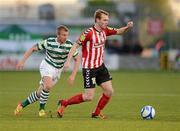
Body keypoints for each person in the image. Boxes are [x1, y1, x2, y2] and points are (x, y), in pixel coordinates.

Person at [57, 9, 133, 119]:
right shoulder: (88, 33)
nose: (106, 22)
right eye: (104, 20)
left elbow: (119, 31)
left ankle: (96, 112)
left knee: (109, 91)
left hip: (100, 66)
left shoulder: (105, 30)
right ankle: (65, 103)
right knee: (89, 97)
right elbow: (75, 46)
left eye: (107, 20)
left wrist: (127, 27)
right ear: (97, 20)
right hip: (89, 68)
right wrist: (68, 61)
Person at [14, 25, 81, 117]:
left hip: (58, 70)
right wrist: (22, 61)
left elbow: (77, 59)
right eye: (64, 35)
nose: (66, 37)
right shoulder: (49, 42)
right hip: (47, 65)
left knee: (40, 93)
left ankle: (21, 105)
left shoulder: (69, 45)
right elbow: (33, 48)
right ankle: (41, 109)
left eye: (67, 35)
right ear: (58, 35)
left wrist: (73, 75)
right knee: (48, 86)